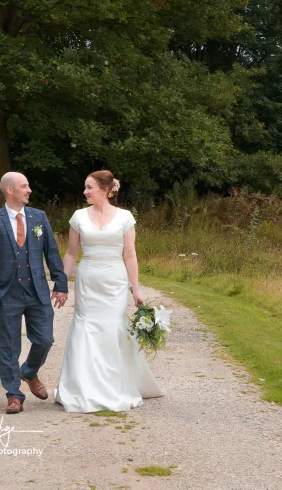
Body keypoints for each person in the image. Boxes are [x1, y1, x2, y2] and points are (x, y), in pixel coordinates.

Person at [53, 170, 164, 412]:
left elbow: (130, 255)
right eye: (85, 187)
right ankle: (82, 387)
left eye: (89, 187)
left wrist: (136, 290)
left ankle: (113, 385)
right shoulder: (78, 216)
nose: (85, 192)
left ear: (106, 190)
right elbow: (71, 253)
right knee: (86, 327)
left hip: (114, 279)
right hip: (88, 278)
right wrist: (61, 284)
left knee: (113, 328)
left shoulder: (125, 217)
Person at [0, 172, 69, 414]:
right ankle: (14, 395)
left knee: (45, 339)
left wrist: (60, 283)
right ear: (9, 190)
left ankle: (28, 372)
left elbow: (51, 252)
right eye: (24, 186)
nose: (29, 190)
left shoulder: (39, 218)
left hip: (37, 291)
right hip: (6, 293)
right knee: (7, 345)